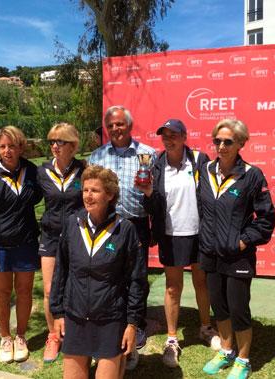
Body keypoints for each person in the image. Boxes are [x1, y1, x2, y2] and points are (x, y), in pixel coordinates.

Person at [137, 119, 220, 368]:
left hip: (199, 233)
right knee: (173, 288)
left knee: (201, 282)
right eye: (165, 136)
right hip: (171, 235)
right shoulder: (156, 165)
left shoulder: (199, 159)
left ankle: (205, 328)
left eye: (173, 135)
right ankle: (172, 339)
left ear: (184, 137)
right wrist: (148, 193)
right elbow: (151, 207)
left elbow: (212, 194)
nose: (168, 139)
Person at [50, 165, 148, 379]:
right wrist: (57, 313)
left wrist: (132, 324)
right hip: (75, 317)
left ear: (110, 195)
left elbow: (137, 280)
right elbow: (61, 271)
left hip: (110, 320)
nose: (88, 195)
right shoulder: (72, 224)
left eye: (95, 190)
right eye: (85, 190)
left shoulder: (125, 230)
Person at [199, 119, 275, 379]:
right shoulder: (206, 170)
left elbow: (266, 218)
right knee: (219, 307)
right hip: (210, 254)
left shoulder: (252, 175)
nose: (221, 146)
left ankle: (243, 360)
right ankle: (227, 350)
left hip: (237, 257)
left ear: (241, 143)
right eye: (217, 141)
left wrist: (242, 241)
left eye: (228, 141)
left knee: (238, 308)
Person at [88, 105, 156, 369]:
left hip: (136, 225)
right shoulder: (96, 156)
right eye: (111, 125)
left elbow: (155, 196)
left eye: (120, 124)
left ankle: (134, 336)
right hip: (105, 226)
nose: (116, 129)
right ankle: (105, 336)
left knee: (136, 281)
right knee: (107, 281)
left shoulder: (147, 154)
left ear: (130, 126)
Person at [0, 126, 42, 363]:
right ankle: (5, 337)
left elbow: (43, 195)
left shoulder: (32, 172)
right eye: (2, 146)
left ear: (21, 147)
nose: (7, 151)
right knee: (1, 294)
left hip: (26, 243)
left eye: (12, 146)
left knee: (24, 292)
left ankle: (20, 336)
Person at [37, 123, 84, 363]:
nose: (54, 146)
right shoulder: (42, 172)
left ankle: (74, 333)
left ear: (73, 146)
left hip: (78, 237)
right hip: (51, 237)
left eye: (60, 142)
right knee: (49, 290)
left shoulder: (84, 170)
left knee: (75, 288)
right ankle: (53, 336)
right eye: (52, 141)